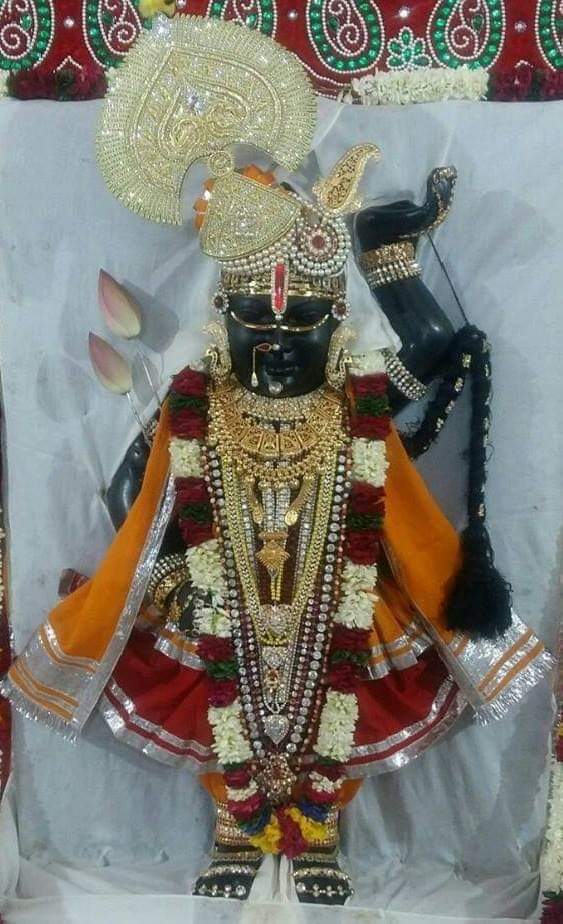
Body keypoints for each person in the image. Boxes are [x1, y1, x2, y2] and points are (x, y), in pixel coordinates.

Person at [1, 15, 552, 906]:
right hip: (220, 595)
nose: (278, 343)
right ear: (223, 323)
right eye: (256, 322)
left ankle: (318, 828)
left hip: (337, 591)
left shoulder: (356, 411)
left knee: (345, 693)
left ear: (337, 328)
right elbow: (138, 504)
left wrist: (387, 253)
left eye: (303, 324)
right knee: (211, 691)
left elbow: (413, 471)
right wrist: (149, 582)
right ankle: (236, 822)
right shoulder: (193, 409)